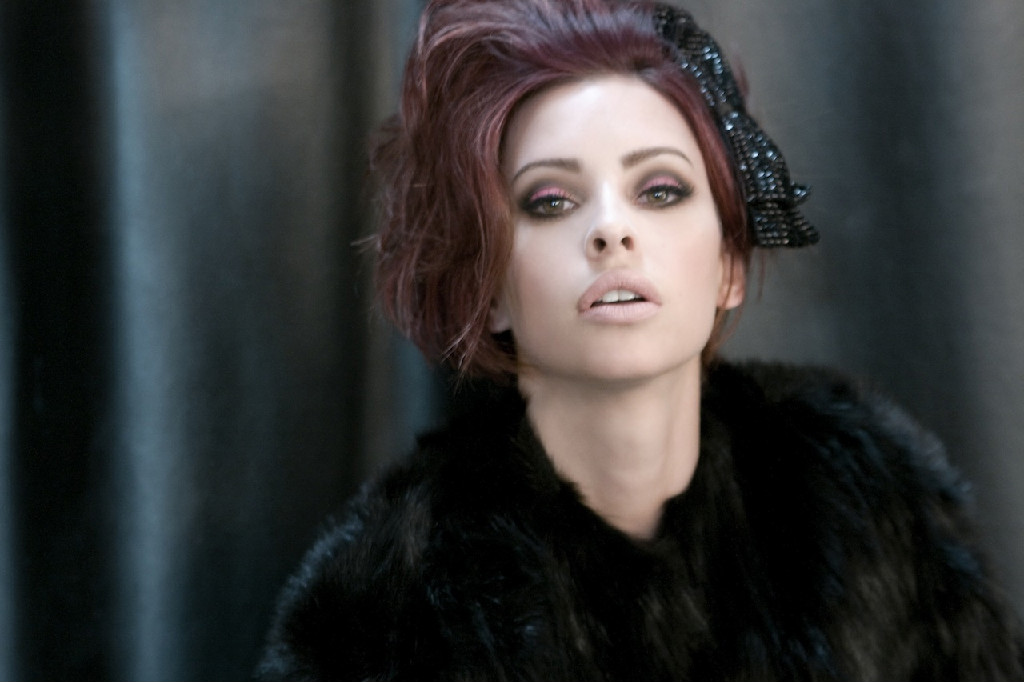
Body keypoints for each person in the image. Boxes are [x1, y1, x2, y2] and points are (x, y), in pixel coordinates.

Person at [256, 0, 1024, 679]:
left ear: (729, 265)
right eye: (550, 201)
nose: (611, 231)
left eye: (659, 190)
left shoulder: (871, 508)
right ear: (488, 291)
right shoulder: (386, 610)